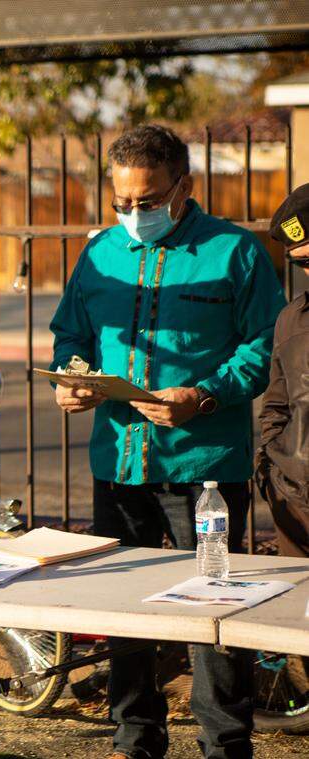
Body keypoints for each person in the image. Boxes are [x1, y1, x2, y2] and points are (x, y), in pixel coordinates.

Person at [49, 123, 286, 759]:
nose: (133, 213)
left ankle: (224, 744)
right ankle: (135, 741)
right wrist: (70, 380)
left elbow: (266, 348)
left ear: (184, 187)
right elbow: (70, 335)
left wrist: (203, 395)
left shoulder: (234, 252)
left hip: (205, 469)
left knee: (215, 617)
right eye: (121, 201)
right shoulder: (98, 253)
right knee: (123, 612)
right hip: (117, 466)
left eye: (148, 201)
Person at [256, 184, 309, 557]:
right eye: (303, 262)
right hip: (297, 508)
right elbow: (276, 406)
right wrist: (273, 471)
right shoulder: (291, 319)